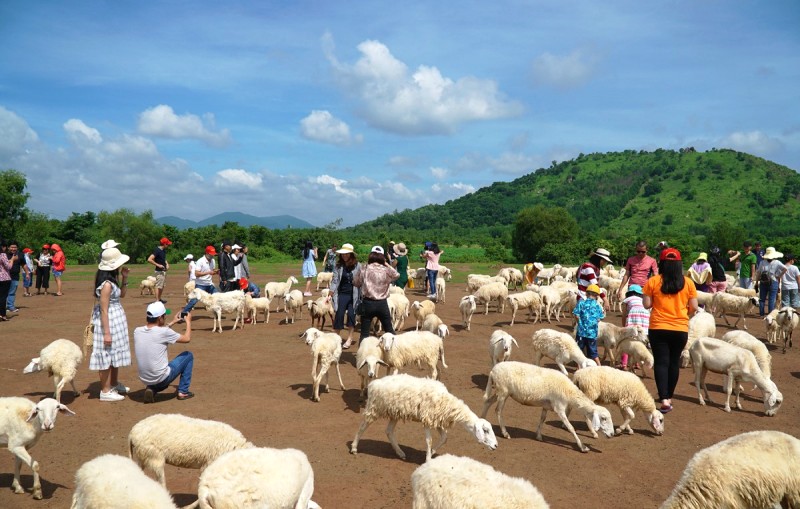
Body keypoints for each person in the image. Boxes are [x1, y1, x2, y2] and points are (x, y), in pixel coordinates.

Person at [643, 248, 698, 414]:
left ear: (661, 263)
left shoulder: (653, 281)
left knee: (661, 362)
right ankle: (669, 396)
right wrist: (682, 314)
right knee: (674, 362)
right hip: (680, 328)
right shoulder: (688, 282)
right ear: (679, 264)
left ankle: (664, 399)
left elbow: (646, 305)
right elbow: (694, 307)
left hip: (658, 327)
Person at [89, 247, 132, 402]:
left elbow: (123, 295)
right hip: (109, 321)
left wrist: (125, 278)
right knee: (106, 353)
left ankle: (113, 383)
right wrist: (106, 332)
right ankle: (105, 391)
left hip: (116, 319)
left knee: (114, 353)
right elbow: (104, 310)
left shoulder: (112, 281)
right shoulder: (106, 284)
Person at [133, 301, 194, 403]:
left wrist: (173, 322)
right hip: (161, 378)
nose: (165, 318)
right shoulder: (164, 332)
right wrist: (188, 321)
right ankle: (183, 391)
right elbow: (187, 338)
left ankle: (152, 389)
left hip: (145, 379)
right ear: (160, 318)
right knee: (188, 356)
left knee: (161, 369)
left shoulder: (137, 331)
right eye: (164, 316)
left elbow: (157, 333)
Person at [354, 246, 399, 342]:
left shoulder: (364, 268)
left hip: (367, 303)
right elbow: (396, 275)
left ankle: (362, 355)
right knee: (389, 330)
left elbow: (356, 283)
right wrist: (386, 264)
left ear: (370, 255)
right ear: (382, 257)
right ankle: (396, 352)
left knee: (364, 333)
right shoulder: (386, 270)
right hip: (382, 304)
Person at [330, 243, 361, 349]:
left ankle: (350, 338)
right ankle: (336, 338)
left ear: (351, 255)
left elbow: (361, 280)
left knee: (352, 315)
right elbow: (335, 280)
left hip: (354, 295)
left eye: (347, 254)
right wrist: (331, 292)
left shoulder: (358, 265)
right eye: (343, 254)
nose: (344, 256)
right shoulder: (338, 266)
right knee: (339, 314)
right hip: (342, 294)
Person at [179, 245, 219, 319]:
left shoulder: (213, 261)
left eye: (213, 254)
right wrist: (208, 272)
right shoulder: (200, 261)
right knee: (193, 301)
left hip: (209, 284)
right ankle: (182, 315)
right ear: (207, 253)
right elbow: (196, 274)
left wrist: (216, 272)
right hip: (200, 285)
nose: (213, 256)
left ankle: (216, 314)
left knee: (217, 297)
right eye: (211, 254)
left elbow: (212, 271)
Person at [619, 284, 650, 370]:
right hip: (645, 317)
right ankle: (637, 363)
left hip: (633, 316)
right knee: (639, 340)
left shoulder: (627, 299)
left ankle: (624, 363)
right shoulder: (642, 299)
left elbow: (624, 314)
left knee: (628, 340)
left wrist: (624, 326)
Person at [572, 284, 605, 366]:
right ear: (597, 296)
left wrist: (579, 322)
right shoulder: (598, 306)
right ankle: (599, 366)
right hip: (592, 333)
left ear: (586, 294)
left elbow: (576, 315)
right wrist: (596, 321)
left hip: (581, 332)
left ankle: (578, 368)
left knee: (579, 350)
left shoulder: (581, 303)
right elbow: (601, 317)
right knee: (593, 352)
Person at [755, 247, 785, 316]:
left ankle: (761, 314)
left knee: (762, 299)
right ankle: (770, 315)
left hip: (763, 282)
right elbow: (785, 269)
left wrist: (756, 282)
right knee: (771, 299)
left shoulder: (762, 262)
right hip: (773, 281)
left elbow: (758, 273)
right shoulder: (777, 262)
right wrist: (779, 276)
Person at [147, 237, 171, 303]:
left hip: (163, 271)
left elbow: (163, 259)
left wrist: (167, 263)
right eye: (167, 244)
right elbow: (149, 259)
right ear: (164, 244)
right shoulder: (157, 250)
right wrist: (158, 265)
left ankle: (159, 299)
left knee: (162, 285)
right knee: (158, 286)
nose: (168, 245)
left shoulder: (163, 250)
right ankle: (157, 301)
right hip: (159, 271)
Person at [0, 240, 16, 321]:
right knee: (3, 297)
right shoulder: (2, 254)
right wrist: (12, 260)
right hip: (4, 278)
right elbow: (8, 267)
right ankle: (2, 315)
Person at [5, 242, 20, 312]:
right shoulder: (4, 255)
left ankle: (10, 306)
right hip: (5, 277)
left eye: (15, 247)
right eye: (12, 247)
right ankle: (3, 306)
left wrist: (27, 273)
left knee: (12, 292)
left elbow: (24, 264)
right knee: (4, 292)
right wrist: (12, 259)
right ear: (8, 247)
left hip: (15, 276)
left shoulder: (20, 255)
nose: (13, 249)